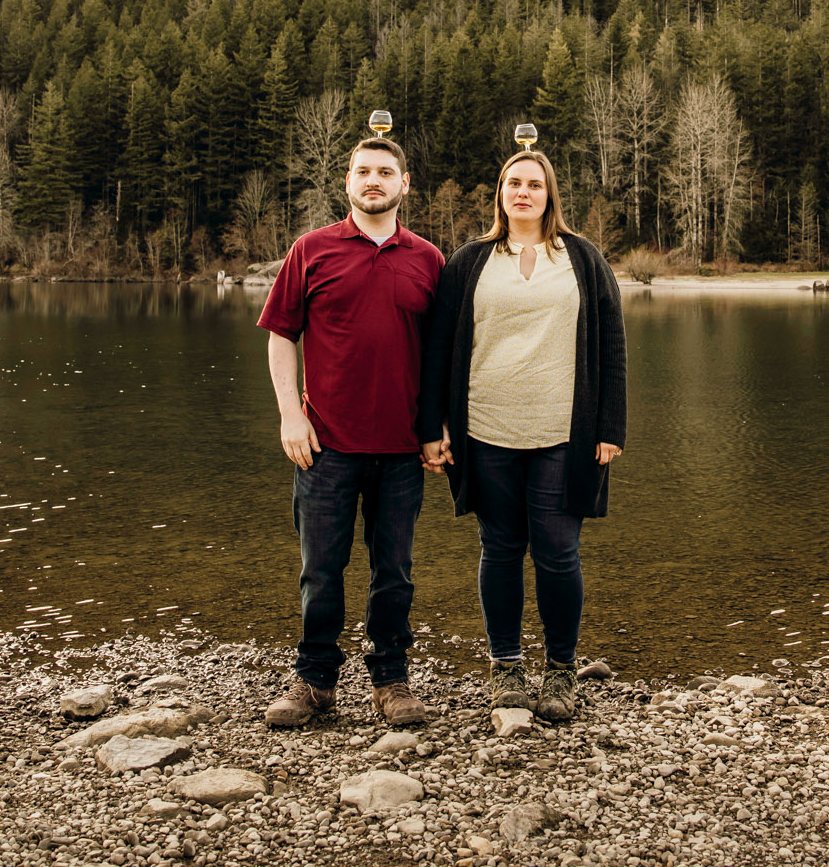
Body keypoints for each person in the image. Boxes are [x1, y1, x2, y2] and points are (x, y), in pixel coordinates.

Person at [418, 149, 626, 721]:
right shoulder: (469, 262)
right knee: (501, 550)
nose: (524, 192)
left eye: (535, 184)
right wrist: (431, 426)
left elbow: (611, 342)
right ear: (501, 194)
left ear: (550, 194)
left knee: (559, 552)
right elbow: (438, 349)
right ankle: (506, 667)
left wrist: (610, 425)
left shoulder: (582, 258)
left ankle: (561, 671)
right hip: (486, 430)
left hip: (565, 432)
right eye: (514, 183)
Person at [257, 136, 444, 727]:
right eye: (363, 171)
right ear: (347, 181)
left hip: (400, 450)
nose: (373, 180)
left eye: (385, 172)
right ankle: (315, 682)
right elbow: (281, 335)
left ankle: (391, 680)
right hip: (325, 446)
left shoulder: (428, 260)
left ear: (404, 184)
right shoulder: (311, 250)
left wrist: (437, 428)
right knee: (321, 568)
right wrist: (291, 413)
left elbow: (441, 356)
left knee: (394, 571)